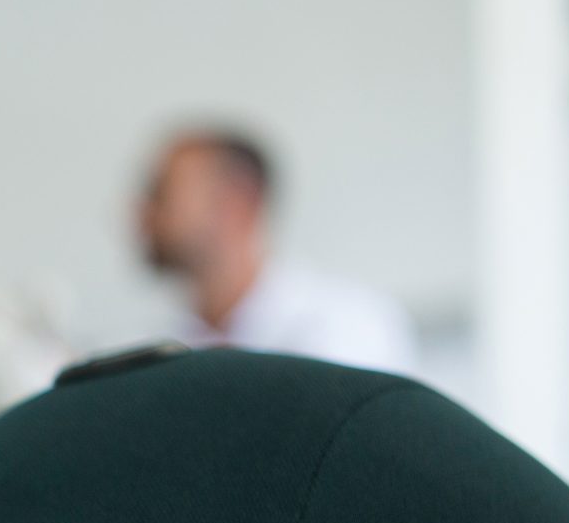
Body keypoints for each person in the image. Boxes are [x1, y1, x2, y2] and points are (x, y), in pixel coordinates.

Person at [138, 128, 417, 374]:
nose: (141, 212)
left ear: (234, 204)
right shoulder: (156, 348)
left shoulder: (350, 328)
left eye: (159, 193)